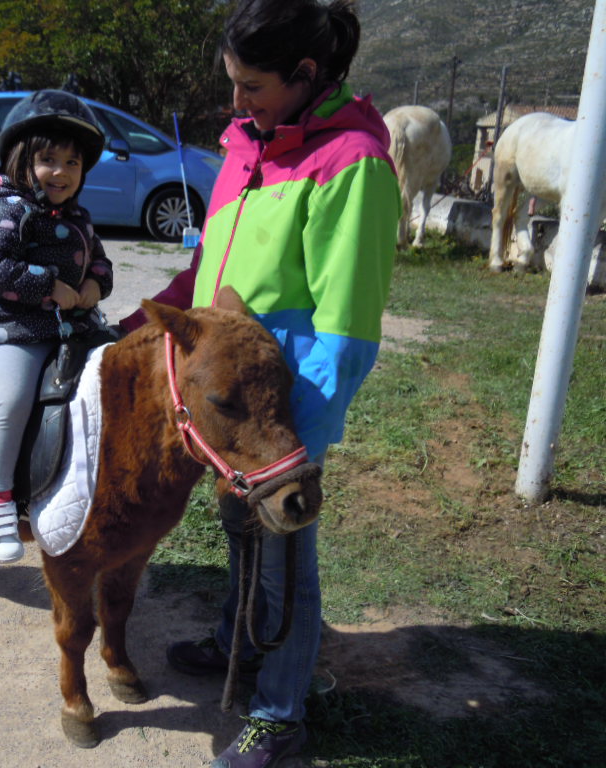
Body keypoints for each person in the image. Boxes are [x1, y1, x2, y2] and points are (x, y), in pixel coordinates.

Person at [118, 1, 400, 765]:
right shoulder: (247, 146)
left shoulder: (351, 165)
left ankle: (279, 716)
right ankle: (238, 640)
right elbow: (207, 269)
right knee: (239, 536)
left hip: (278, 421)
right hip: (229, 412)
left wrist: (284, 448)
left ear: (306, 74)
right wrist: (142, 323)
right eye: (233, 83)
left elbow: (345, 336)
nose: (237, 101)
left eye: (252, 86)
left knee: (285, 566)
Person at [0, 90, 113, 564]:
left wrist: (94, 284)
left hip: (70, 323)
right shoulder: (6, 205)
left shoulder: (77, 215)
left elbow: (101, 261)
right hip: (13, 325)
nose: (61, 172)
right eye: (48, 160)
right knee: (12, 399)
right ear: (21, 159)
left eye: (72, 162)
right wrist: (50, 286)